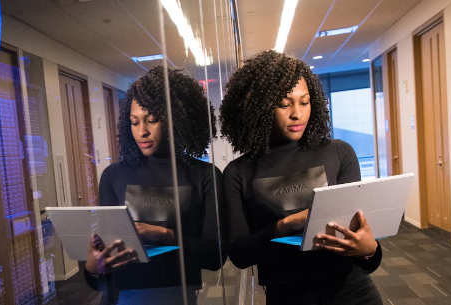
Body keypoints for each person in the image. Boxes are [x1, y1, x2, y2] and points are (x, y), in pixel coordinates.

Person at [217, 50, 384, 305]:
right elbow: (239, 254)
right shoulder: (238, 172)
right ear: (260, 109)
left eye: (304, 102)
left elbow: (363, 246)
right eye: (285, 104)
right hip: (287, 295)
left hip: (352, 291)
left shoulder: (339, 152)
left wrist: (369, 250)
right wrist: (283, 226)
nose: (297, 113)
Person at [81, 66, 222, 305]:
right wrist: (94, 267)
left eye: (152, 120)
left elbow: (214, 257)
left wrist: (163, 234)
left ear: (175, 120)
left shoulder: (203, 175)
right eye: (134, 122)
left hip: (179, 295)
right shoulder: (114, 175)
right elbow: (100, 277)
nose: (142, 132)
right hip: (122, 297)